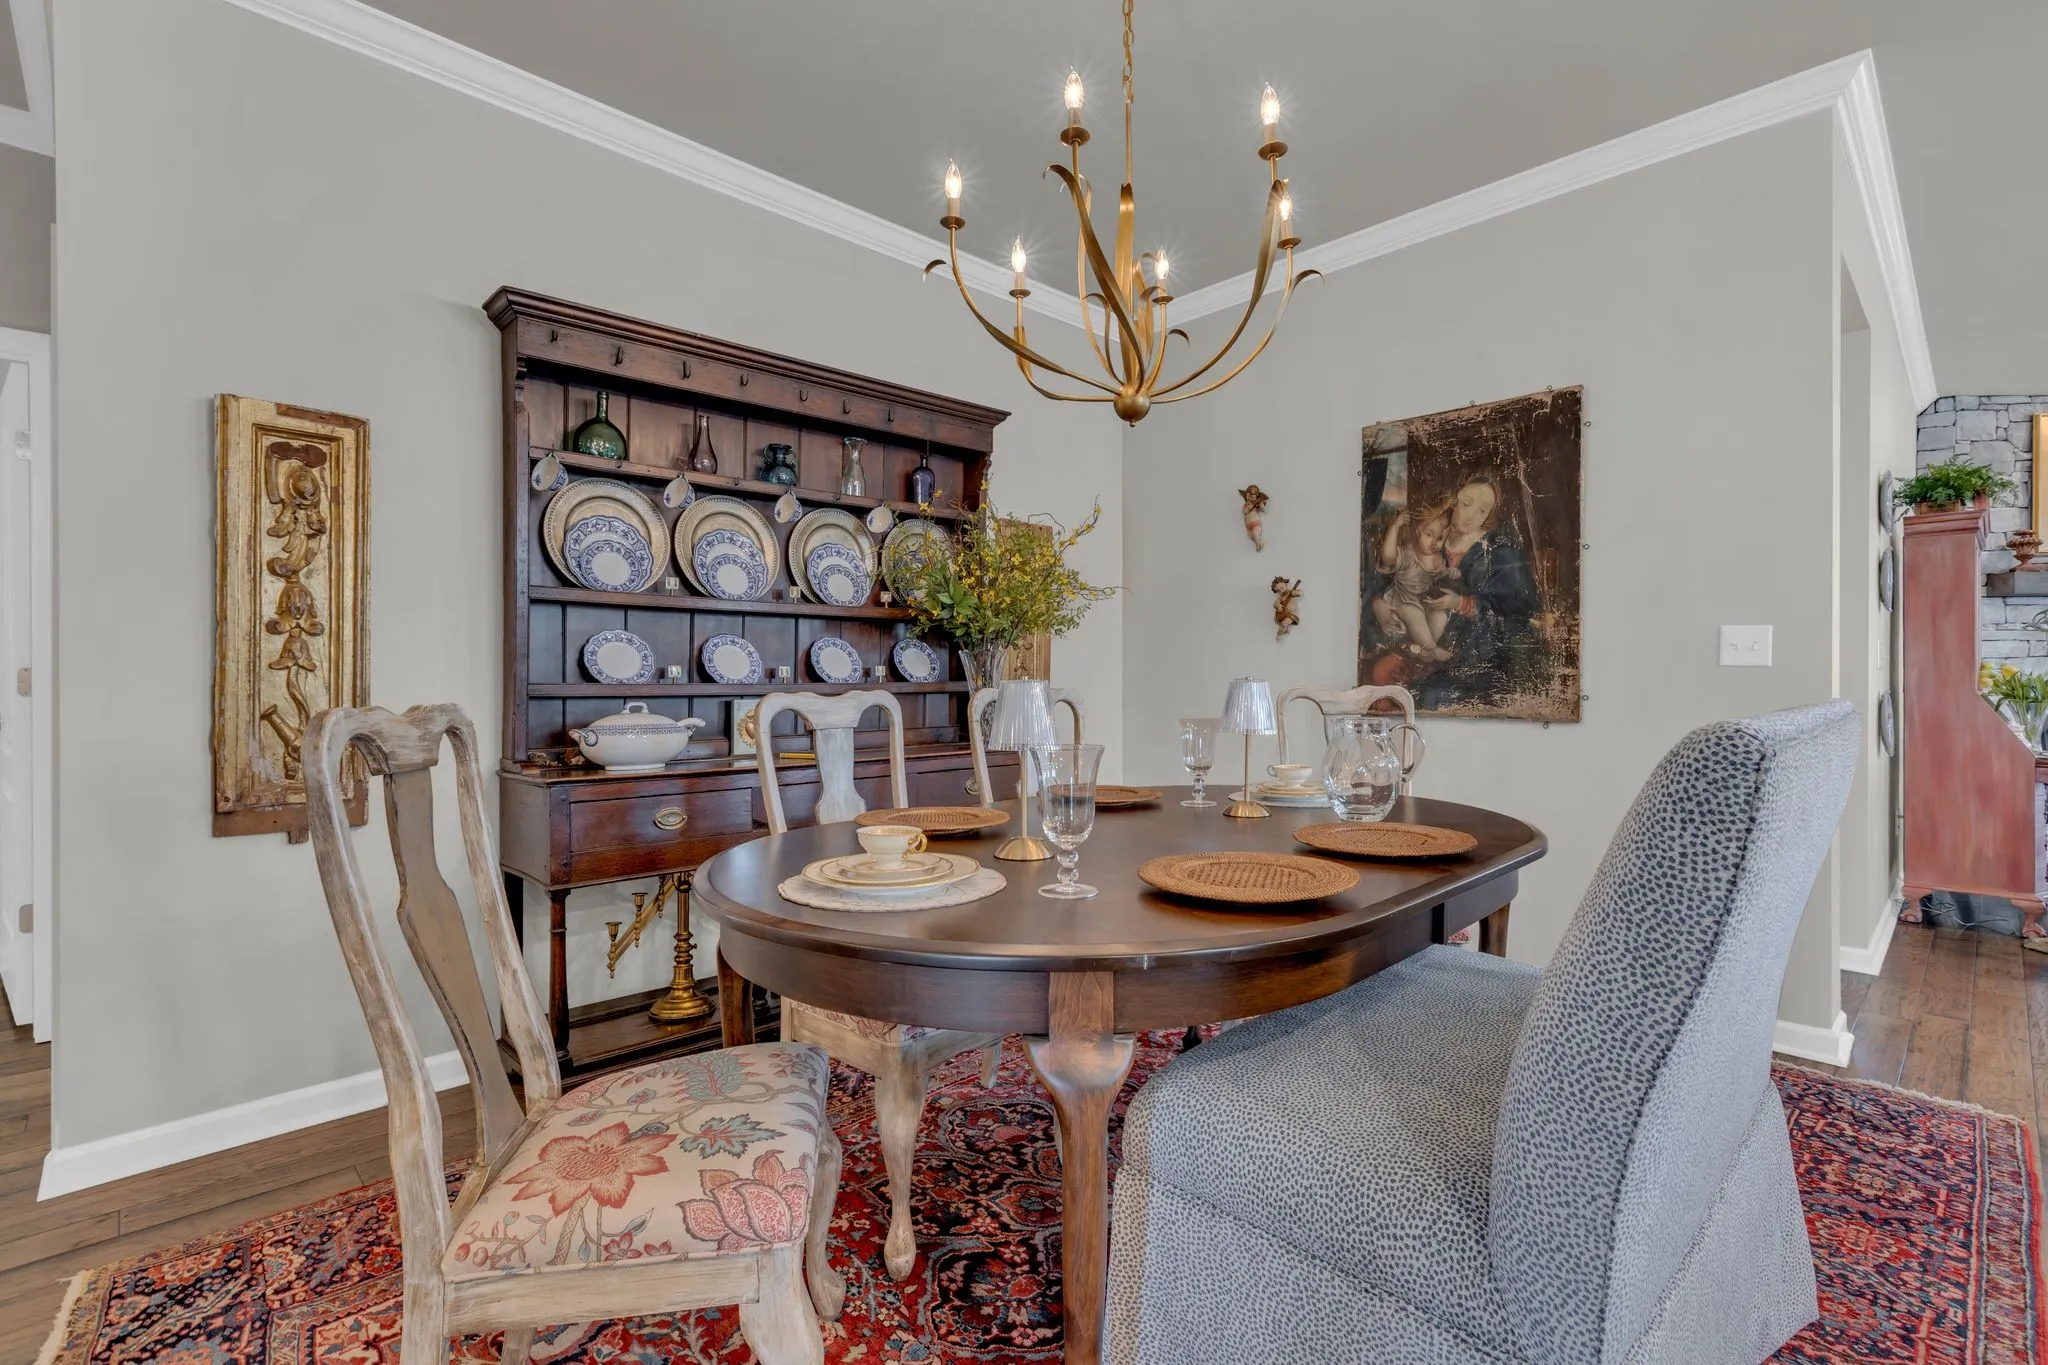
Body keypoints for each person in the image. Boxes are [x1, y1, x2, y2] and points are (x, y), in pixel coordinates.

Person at [1413, 476, 1544, 708]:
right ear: (1454, 500)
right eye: (1466, 504)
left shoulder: (1500, 552)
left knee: (1435, 696)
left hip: (1475, 659)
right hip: (1422, 644)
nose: (1471, 515)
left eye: (1482, 510)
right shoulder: (1430, 538)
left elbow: (1521, 610)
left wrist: (1463, 604)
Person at [1374, 506, 1456, 660]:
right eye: (1429, 535)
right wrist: (1395, 527)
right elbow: (1388, 557)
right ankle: (1432, 649)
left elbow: (1437, 577)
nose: (1434, 542)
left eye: (1439, 538)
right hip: (1400, 600)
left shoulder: (1438, 558)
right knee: (1415, 615)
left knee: (1440, 616)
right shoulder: (1409, 553)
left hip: (1420, 601)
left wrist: (1449, 573)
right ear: (1419, 531)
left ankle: (1424, 650)